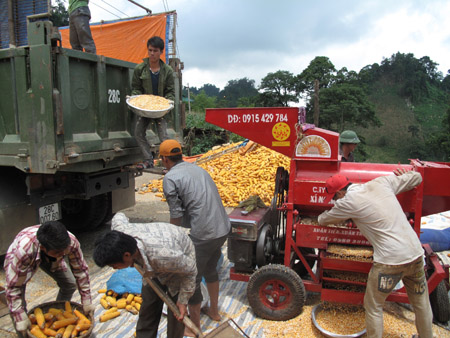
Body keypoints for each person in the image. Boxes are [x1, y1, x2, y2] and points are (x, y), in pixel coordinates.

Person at [318, 170, 433, 338]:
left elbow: (324, 219)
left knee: (374, 306)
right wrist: (408, 173)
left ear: (340, 192)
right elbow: (418, 177)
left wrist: (322, 215)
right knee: (421, 303)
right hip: (415, 255)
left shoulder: (348, 202)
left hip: (390, 261)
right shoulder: (382, 183)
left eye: (334, 198)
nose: (335, 201)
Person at [160, 139, 231, 336]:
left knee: (191, 278)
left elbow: (176, 214)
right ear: (180, 155)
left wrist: (171, 239)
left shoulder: (170, 178)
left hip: (205, 233)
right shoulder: (198, 169)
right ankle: (214, 312)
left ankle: (195, 328)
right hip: (222, 228)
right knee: (210, 268)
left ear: (165, 159)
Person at [93, 213, 197, 338]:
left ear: (126, 255)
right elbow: (119, 215)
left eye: (114, 266)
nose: (115, 269)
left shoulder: (164, 256)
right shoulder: (119, 231)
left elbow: (190, 270)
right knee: (148, 308)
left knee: (177, 314)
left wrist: (183, 300)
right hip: (154, 258)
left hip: (179, 263)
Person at [4, 221, 93, 338]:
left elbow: (80, 271)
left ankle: (57, 314)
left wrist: (86, 300)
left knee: (70, 284)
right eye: (58, 252)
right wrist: (19, 317)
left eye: (64, 251)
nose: (63, 254)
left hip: (51, 258)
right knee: (20, 309)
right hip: (28, 259)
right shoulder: (23, 252)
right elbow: (13, 287)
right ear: (43, 248)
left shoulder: (70, 242)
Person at [131, 36, 175, 170]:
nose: (152, 53)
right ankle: (148, 159)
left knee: (164, 137)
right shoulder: (140, 69)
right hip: (145, 108)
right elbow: (136, 88)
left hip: (160, 109)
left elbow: (170, 91)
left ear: (161, 52)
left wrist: (167, 103)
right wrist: (135, 99)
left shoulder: (167, 71)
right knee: (138, 133)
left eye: (155, 51)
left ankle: (171, 163)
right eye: (150, 50)